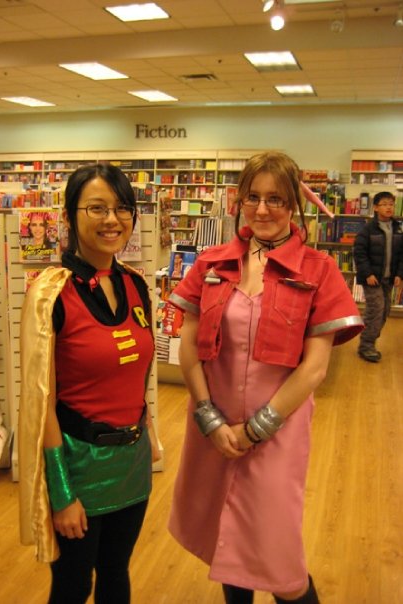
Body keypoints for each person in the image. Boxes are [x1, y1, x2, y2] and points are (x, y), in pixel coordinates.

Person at [167, 151, 364, 604]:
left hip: (277, 433)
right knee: (226, 543)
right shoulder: (212, 263)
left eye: (275, 199)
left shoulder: (319, 270)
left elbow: (315, 367)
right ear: (239, 199)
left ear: (293, 202)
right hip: (212, 428)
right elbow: (190, 347)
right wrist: (209, 419)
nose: (261, 209)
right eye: (252, 197)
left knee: (279, 559)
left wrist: (259, 427)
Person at [18, 163, 160, 604]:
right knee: (74, 587)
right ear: (69, 216)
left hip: (132, 468)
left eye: (121, 208)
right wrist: (60, 493)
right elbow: (41, 401)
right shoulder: (49, 293)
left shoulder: (136, 285)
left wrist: (151, 436)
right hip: (78, 470)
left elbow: (137, 375)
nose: (112, 220)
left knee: (116, 573)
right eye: (96, 208)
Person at [353, 191, 403, 362]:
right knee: (376, 310)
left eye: (391, 204)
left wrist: (399, 274)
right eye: (384, 204)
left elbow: (402, 254)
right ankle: (366, 346)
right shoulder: (368, 229)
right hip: (372, 278)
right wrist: (367, 273)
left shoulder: (398, 228)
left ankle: (369, 340)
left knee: (384, 311)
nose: (389, 207)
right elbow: (359, 253)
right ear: (375, 208)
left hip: (388, 279)